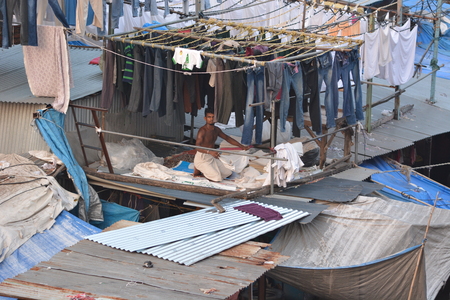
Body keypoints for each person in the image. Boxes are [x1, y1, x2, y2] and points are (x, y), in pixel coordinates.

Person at [194, 108, 250, 182]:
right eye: (209, 117)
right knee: (217, 178)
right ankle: (199, 168)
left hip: (212, 157)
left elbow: (227, 138)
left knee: (228, 173)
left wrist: (241, 146)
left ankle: (204, 170)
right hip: (202, 157)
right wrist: (209, 152)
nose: (211, 119)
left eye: (213, 117)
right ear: (205, 118)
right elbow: (197, 147)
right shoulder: (202, 131)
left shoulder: (216, 129)